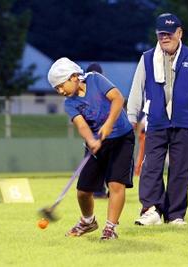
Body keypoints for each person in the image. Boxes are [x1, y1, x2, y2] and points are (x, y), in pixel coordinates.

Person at [127, 13, 188, 226]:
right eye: (161, 34)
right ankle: (151, 210)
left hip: (184, 122)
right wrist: (131, 117)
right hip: (156, 122)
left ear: (179, 32)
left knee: (181, 170)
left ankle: (175, 215)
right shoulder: (147, 58)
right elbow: (136, 90)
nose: (165, 37)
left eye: (169, 33)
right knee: (151, 167)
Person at [48, 57, 134, 240]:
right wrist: (90, 140)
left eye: (61, 85)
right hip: (96, 144)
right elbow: (81, 125)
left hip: (121, 138)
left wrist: (109, 124)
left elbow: (118, 98)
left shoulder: (96, 79)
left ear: (73, 77)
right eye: (56, 89)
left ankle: (110, 228)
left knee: (115, 184)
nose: (60, 91)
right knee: (83, 191)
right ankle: (88, 222)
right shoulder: (70, 103)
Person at [85, 62, 108, 199]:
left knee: (97, 162)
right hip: (96, 132)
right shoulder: (104, 89)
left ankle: (96, 190)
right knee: (100, 162)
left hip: (101, 131)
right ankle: (97, 190)